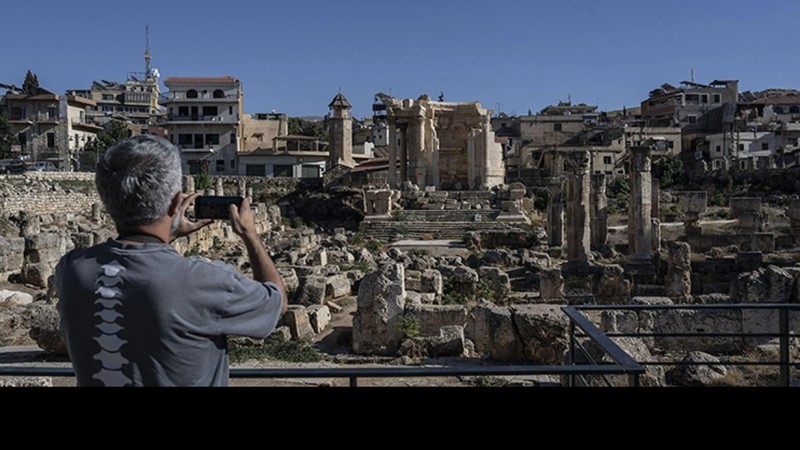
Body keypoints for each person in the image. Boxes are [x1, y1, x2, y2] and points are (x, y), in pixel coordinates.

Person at [55, 135, 286, 386]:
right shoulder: (203, 280)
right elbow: (277, 302)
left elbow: (141, 270)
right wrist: (250, 235)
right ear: (177, 202)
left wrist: (167, 234)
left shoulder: (71, 269)